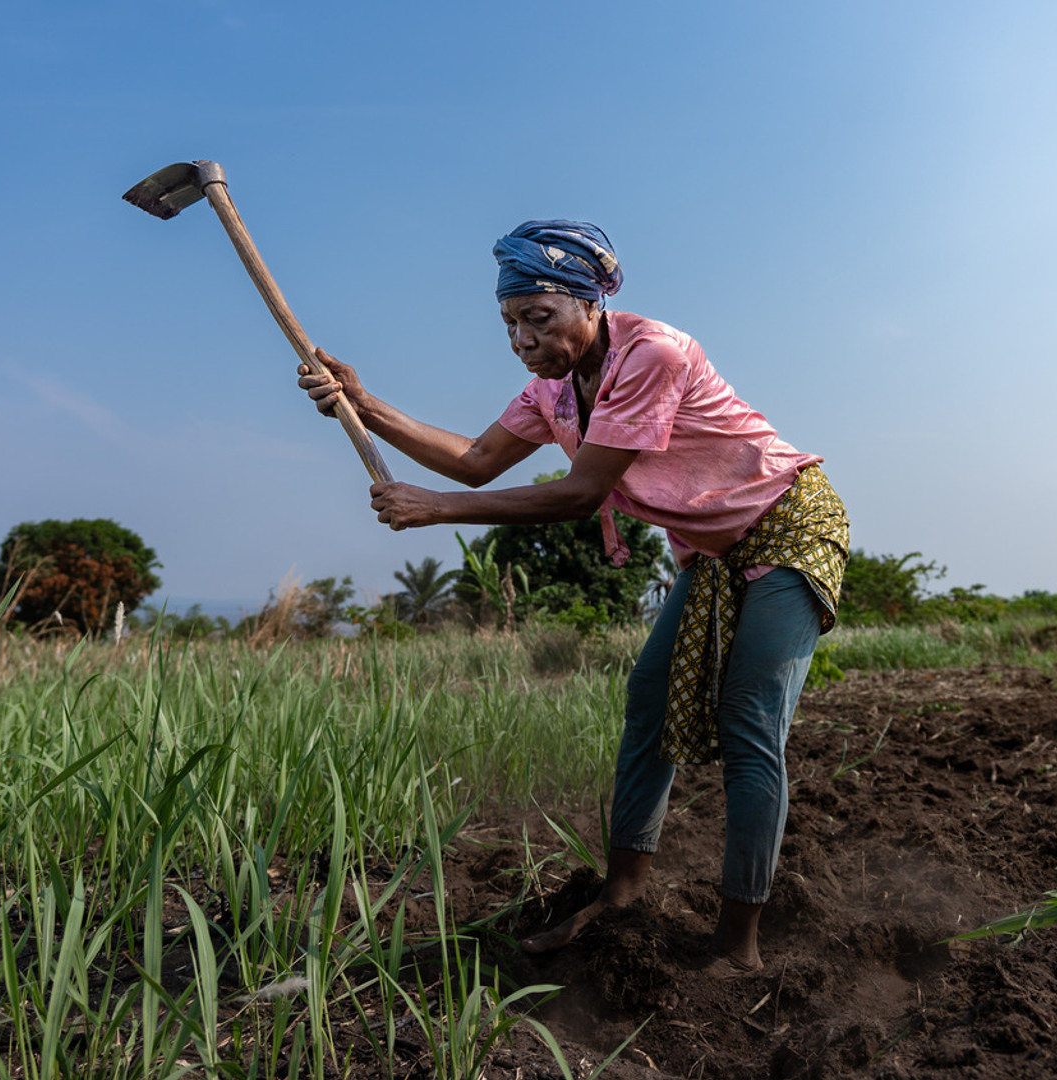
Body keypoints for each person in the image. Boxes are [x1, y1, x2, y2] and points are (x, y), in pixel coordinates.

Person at [298, 220, 849, 975]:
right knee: (648, 697)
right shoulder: (553, 389)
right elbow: (475, 460)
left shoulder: (653, 352)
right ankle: (620, 895)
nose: (522, 338)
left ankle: (737, 944)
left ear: (589, 303)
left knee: (750, 720)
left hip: (788, 523)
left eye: (538, 316)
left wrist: (434, 510)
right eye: (509, 322)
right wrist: (361, 403)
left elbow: (582, 491)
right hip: (716, 551)